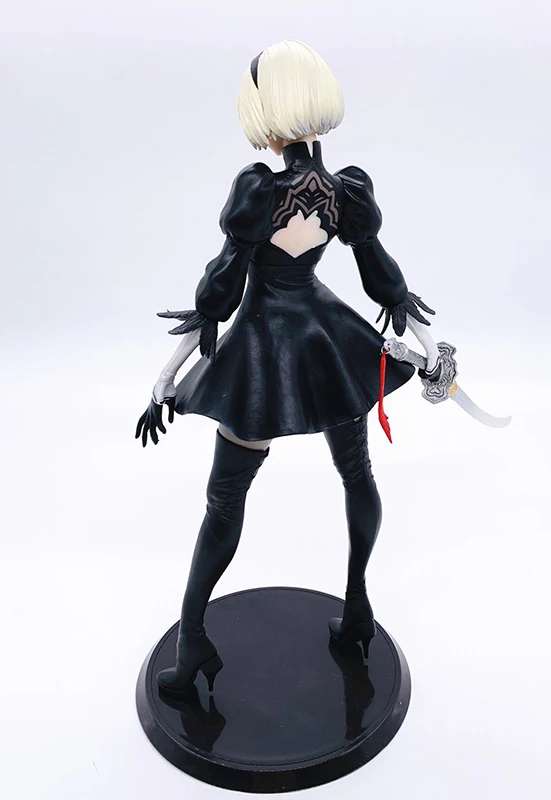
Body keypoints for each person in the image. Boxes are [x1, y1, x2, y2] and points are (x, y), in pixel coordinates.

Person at [136, 40, 440, 695]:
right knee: (356, 473)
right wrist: (430, 344)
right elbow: (385, 281)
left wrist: (166, 379)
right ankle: (358, 610)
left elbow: (217, 297)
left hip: (262, 352)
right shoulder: (346, 191)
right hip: (327, 343)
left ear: (267, 112)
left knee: (224, 500)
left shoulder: (259, 191)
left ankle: (193, 643)